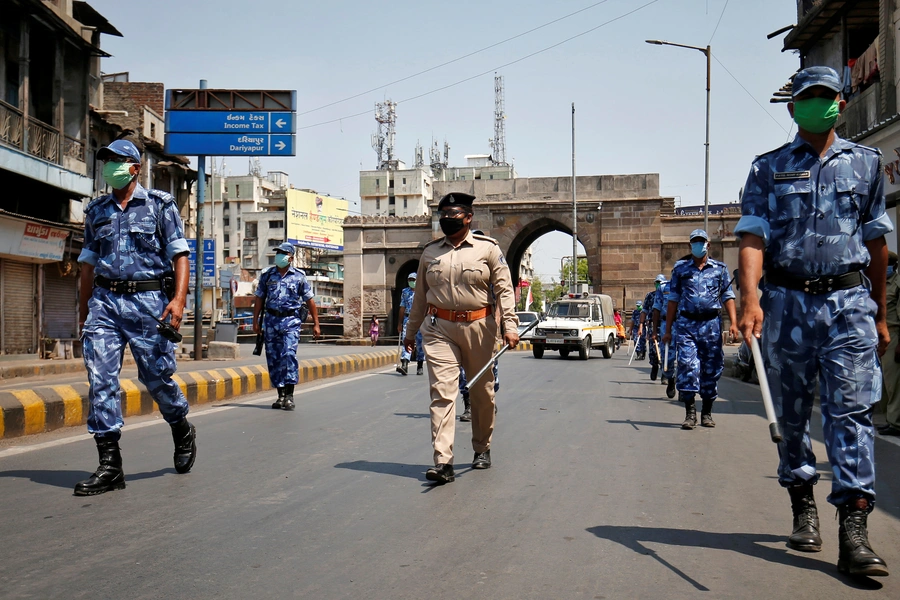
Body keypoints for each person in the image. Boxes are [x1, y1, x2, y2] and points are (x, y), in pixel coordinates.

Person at [736, 66, 891, 577]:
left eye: (826, 96)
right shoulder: (767, 169)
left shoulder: (867, 165)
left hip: (849, 306)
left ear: (840, 104)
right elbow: (753, 237)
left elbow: (875, 242)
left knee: (851, 415)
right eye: (808, 97)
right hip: (788, 305)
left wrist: (882, 315)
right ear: (792, 108)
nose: (817, 104)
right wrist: (750, 297)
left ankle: (854, 528)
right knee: (794, 415)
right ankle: (802, 502)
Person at [75, 137, 196, 496]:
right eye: (106, 160)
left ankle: (181, 426)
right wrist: (84, 311)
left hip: (149, 303)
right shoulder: (96, 211)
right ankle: (110, 465)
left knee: (156, 378)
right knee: (100, 379)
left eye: (117, 160)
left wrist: (177, 300)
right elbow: (87, 264)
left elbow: (180, 255)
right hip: (106, 302)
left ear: (135, 167)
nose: (110, 166)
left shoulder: (160, 206)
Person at [404, 192, 518, 484]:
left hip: (480, 328)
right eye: (442, 216)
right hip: (438, 328)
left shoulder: (488, 249)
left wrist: (510, 326)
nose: (446, 221)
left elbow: (504, 289)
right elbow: (419, 297)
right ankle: (443, 461)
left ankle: (482, 447)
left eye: (452, 216)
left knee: (482, 393)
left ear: (468, 218)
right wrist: (410, 332)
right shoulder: (430, 252)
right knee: (442, 393)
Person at [662, 229, 738, 430]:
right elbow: (673, 300)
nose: (698, 245)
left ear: (708, 245)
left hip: (711, 325)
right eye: (694, 242)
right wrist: (667, 330)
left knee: (711, 369)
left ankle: (707, 412)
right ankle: (690, 413)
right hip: (687, 325)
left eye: (701, 241)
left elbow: (727, 296)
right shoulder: (680, 270)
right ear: (690, 245)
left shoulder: (720, 269)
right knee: (688, 366)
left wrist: (734, 323)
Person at [253, 242, 321, 410]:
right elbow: (259, 298)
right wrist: (256, 321)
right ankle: (280, 395)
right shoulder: (268, 275)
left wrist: (316, 324)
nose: (279, 256)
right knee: (274, 358)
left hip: (291, 321)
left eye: (282, 253)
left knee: (289, 354)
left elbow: (309, 300)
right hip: (271, 321)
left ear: (290, 257)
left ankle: (289, 395)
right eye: (278, 253)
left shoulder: (299, 276)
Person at [880, 252, 900, 436]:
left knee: (894, 383)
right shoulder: (879, 282)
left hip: (894, 334)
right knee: (887, 382)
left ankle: (896, 423)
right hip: (879, 334)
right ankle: (890, 419)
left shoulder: (897, 284)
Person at [397, 273, 425, 375]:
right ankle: (405, 364)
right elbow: (402, 307)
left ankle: (420, 365)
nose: (411, 281)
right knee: (406, 340)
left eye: (413, 279)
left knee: (420, 343)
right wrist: (399, 323)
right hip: (408, 319)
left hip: (420, 320)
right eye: (409, 280)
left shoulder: (422, 292)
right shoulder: (405, 292)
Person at [641, 282, 661, 380]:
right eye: (657, 283)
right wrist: (641, 325)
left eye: (660, 283)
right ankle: (654, 365)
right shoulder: (650, 296)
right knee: (653, 349)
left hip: (665, 324)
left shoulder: (668, 294)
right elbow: (644, 310)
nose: (659, 285)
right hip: (652, 324)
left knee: (666, 350)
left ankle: (666, 374)